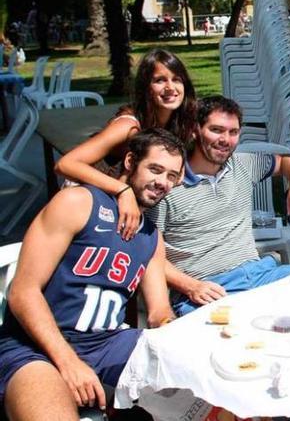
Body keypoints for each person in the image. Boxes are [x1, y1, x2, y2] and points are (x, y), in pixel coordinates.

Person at [0, 129, 182, 418]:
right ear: (130, 161)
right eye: (155, 169)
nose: (162, 182)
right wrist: (69, 362)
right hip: (35, 347)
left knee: (200, 389)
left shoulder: (151, 237)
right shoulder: (79, 203)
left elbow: (159, 313)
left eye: (172, 176)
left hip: (108, 343)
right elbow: (23, 292)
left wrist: (189, 334)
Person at [146, 96, 290, 316]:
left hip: (260, 273)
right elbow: (146, 253)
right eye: (216, 130)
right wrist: (190, 286)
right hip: (208, 289)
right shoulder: (169, 183)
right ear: (196, 130)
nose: (225, 139)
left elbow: (287, 161)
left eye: (233, 132)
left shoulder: (242, 164)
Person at [56, 49, 198, 242]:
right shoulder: (128, 125)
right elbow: (66, 164)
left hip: (124, 207)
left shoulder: (178, 126)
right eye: (160, 80)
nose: (170, 87)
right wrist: (123, 191)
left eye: (177, 79)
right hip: (88, 206)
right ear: (146, 88)